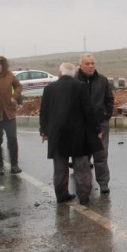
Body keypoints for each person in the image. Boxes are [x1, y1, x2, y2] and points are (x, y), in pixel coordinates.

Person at [40, 62, 103, 205]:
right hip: (78, 133)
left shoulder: (49, 89)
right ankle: (84, 196)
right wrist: (96, 130)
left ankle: (61, 195)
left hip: (57, 133)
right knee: (81, 167)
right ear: (73, 74)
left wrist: (43, 131)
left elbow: (44, 112)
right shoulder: (81, 87)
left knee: (60, 167)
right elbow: (89, 111)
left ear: (60, 73)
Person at [76, 53, 114, 194]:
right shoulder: (75, 81)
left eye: (92, 63)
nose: (91, 66)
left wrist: (106, 116)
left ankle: (103, 183)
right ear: (81, 65)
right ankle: (85, 186)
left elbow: (109, 99)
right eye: (87, 63)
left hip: (100, 123)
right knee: (83, 157)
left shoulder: (102, 80)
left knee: (101, 155)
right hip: (82, 126)